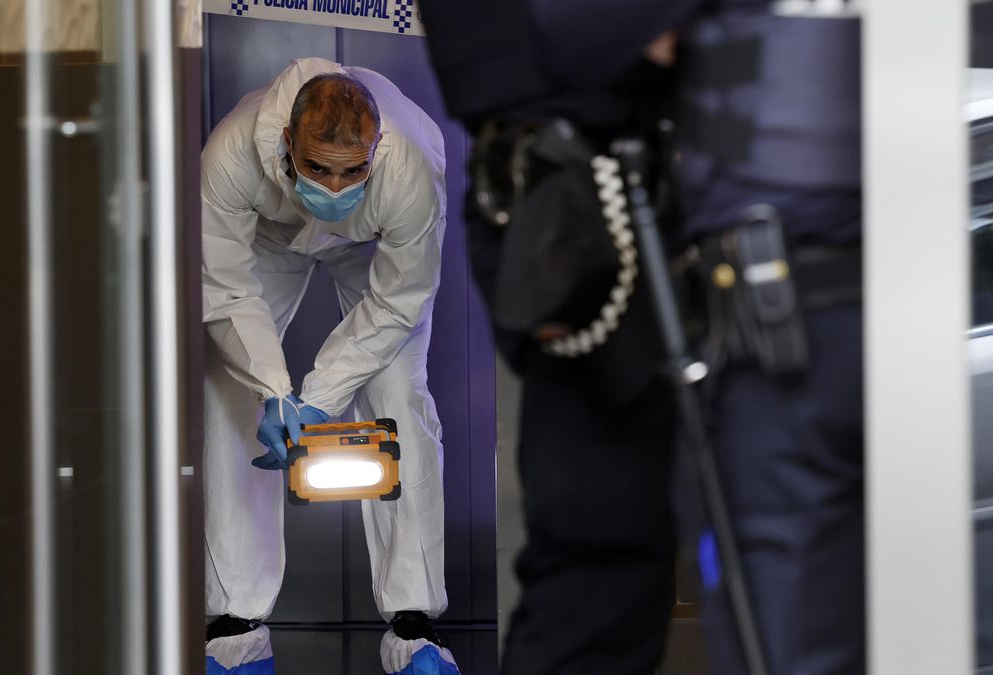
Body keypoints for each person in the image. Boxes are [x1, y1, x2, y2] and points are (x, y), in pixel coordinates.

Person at [420, 1, 865, 673]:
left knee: (762, 540)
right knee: (605, 547)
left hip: (690, 202)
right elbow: (499, 57)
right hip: (581, 209)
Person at [200, 57, 458, 675]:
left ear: (378, 149)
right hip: (269, 236)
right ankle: (233, 629)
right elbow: (225, 288)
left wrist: (318, 397)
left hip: (375, 245)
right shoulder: (230, 155)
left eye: (353, 171)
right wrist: (273, 390)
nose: (336, 188)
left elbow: (400, 300)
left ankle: (414, 627)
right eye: (317, 168)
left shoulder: (411, 167)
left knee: (400, 395)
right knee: (230, 399)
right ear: (288, 143)